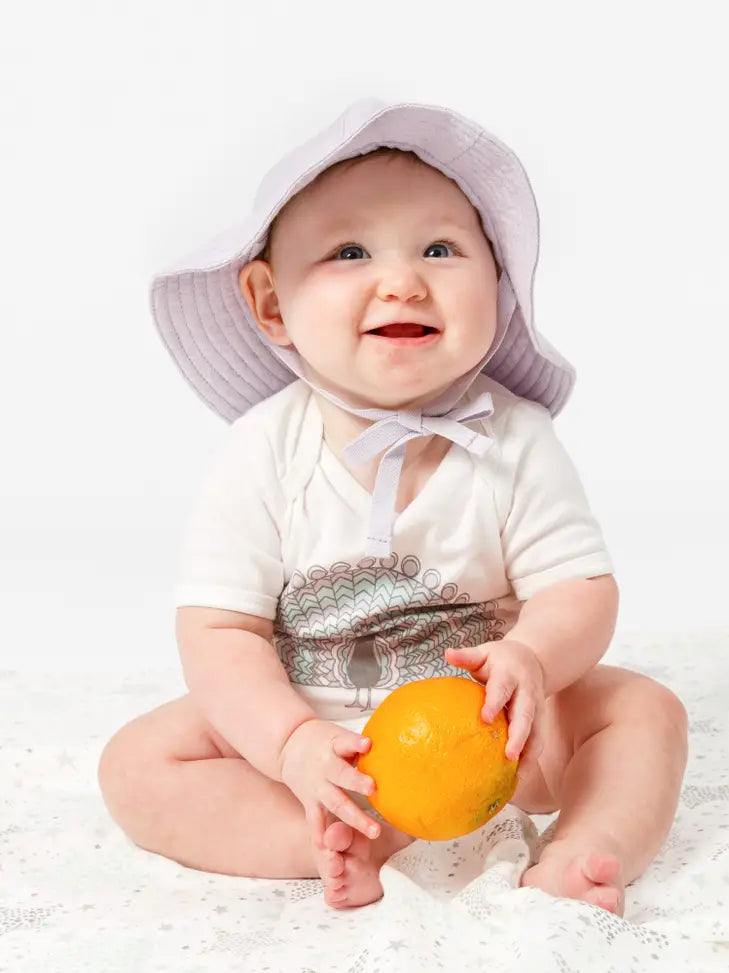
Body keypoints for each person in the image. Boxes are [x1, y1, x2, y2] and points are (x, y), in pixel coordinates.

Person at [98, 98, 688, 916]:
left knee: (642, 709)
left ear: (497, 286)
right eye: (349, 251)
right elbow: (218, 630)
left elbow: (579, 588)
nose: (403, 279)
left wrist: (536, 659)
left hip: (494, 733)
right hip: (317, 722)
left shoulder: (513, 437)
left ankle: (588, 846)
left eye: (441, 248)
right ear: (272, 305)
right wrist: (293, 743)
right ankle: (338, 831)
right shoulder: (263, 448)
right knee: (138, 764)